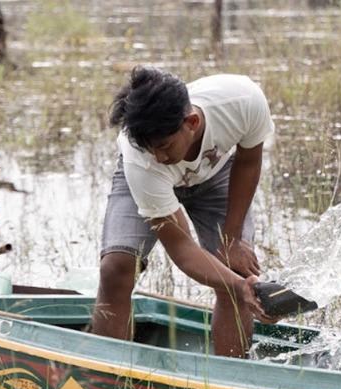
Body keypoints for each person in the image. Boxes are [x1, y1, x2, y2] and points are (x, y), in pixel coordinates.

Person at [91, 66, 277, 358]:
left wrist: (232, 240)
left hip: (216, 175)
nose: (160, 157)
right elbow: (182, 249)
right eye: (151, 148)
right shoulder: (142, 159)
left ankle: (227, 387)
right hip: (145, 183)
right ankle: (107, 380)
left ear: (191, 122)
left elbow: (248, 162)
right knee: (116, 268)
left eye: (165, 146)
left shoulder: (243, 100)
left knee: (234, 267)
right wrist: (242, 287)